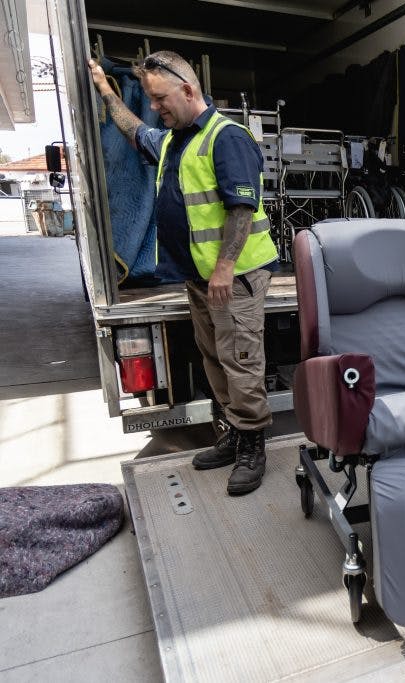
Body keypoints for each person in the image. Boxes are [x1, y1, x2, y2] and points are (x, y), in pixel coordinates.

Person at [88, 51, 278, 495]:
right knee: (214, 359)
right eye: (152, 100)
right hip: (199, 278)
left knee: (240, 361)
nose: (155, 107)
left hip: (236, 278)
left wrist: (225, 269)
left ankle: (253, 445)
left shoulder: (226, 137)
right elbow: (134, 131)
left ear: (188, 90)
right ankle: (233, 433)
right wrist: (104, 89)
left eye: (159, 99)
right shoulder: (175, 140)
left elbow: (242, 205)